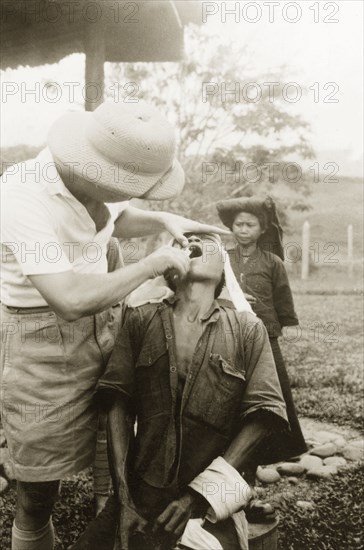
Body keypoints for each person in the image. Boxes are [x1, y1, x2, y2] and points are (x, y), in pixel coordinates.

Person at [0, 100, 227, 550]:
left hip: (106, 323)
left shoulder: (102, 168)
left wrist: (161, 218)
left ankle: (114, 517)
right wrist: (153, 263)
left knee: (121, 445)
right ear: (93, 171)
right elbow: (67, 299)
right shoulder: (22, 195)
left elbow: (114, 218)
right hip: (42, 342)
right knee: (38, 490)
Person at [71, 233, 290, 550]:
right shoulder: (140, 320)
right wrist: (124, 500)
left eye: (209, 241)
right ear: (168, 267)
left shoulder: (247, 329)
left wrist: (198, 496)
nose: (197, 241)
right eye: (184, 241)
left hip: (209, 511)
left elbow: (264, 416)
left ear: (223, 270)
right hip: (139, 499)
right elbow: (116, 406)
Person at [216, 196, 307, 462]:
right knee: (231, 387)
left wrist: (285, 323)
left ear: (262, 229)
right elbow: (211, 292)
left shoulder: (272, 262)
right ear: (231, 228)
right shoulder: (222, 259)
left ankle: (285, 446)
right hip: (229, 330)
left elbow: (282, 297)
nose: (243, 230)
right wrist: (231, 299)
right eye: (238, 224)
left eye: (250, 225)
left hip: (266, 333)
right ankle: (230, 445)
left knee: (274, 384)